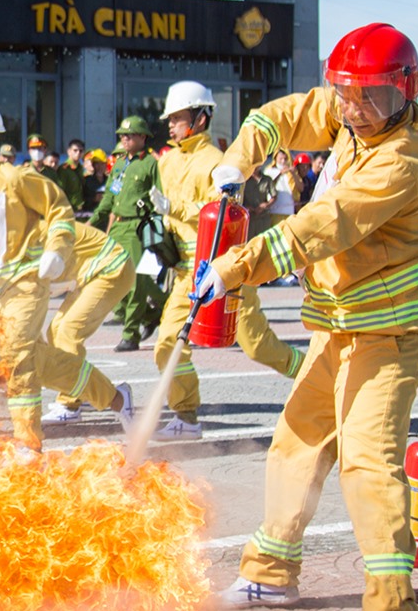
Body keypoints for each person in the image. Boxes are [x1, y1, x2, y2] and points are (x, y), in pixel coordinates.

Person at [197, 23, 418, 611]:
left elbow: (322, 226)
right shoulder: (352, 113)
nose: (354, 109)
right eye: (347, 94)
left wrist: (235, 268)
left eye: (371, 97)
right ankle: (271, 572)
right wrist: (238, 160)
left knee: (367, 462)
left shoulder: (403, 158)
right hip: (340, 324)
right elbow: (278, 117)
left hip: (390, 331)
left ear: (406, 91)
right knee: (297, 440)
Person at [0, 100, 132, 452]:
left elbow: (60, 211)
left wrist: (56, 251)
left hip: (23, 284)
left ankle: (28, 444)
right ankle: (116, 398)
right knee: (40, 362)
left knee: (17, 356)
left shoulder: (14, 178)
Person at [147, 80, 306, 439]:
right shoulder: (167, 161)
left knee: (259, 346)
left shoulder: (217, 162)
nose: (170, 125)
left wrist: (175, 208)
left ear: (200, 119)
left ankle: (320, 379)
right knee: (167, 345)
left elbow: (221, 214)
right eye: (170, 119)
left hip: (223, 269)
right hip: (186, 272)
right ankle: (186, 417)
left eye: (177, 117)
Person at [39, 219, 138, 424]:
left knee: (69, 331)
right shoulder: (21, 231)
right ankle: (83, 392)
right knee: (55, 330)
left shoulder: (27, 236)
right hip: (93, 275)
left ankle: (70, 403)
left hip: (112, 270)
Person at [92, 115, 164, 352]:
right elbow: (110, 197)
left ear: (142, 137)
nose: (124, 139)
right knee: (112, 278)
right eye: (122, 135)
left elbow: (160, 199)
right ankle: (154, 313)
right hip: (118, 226)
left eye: (129, 135)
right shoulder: (120, 164)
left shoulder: (150, 164)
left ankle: (130, 335)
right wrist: (93, 221)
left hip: (137, 226)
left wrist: (159, 231)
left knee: (135, 282)